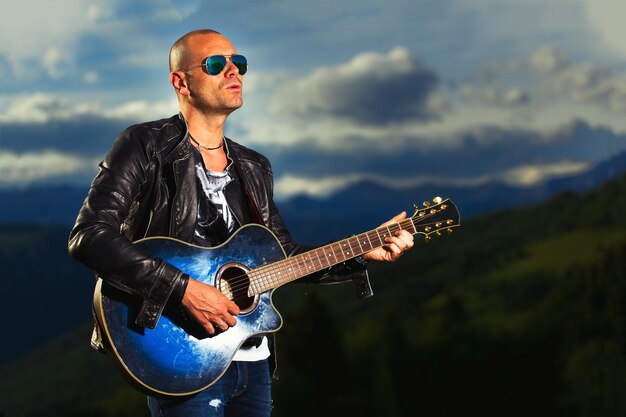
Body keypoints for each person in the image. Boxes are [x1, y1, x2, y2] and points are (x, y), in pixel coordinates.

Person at [68, 28, 414, 417]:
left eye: (239, 63)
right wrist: (182, 290)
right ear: (180, 82)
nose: (233, 71)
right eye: (216, 64)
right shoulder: (145, 145)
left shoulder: (254, 166)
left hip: (254, 362)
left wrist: (362, 250)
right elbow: (89, 235)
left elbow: (282, 257)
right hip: (185, 357)